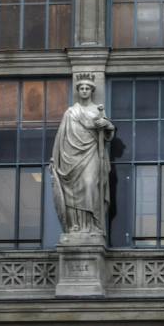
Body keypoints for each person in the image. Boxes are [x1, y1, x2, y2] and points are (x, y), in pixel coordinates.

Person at [51, 78, 114, 236]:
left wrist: (107, 126)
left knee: (89, 184)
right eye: (81, 88)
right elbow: (61, 137)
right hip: (71, 156)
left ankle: (93, 225)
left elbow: (107, 131)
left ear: (92, 91)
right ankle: (76, 226)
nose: (84, 90)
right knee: (72, 190)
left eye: (87, 88)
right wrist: (55, 159)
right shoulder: (71, 112)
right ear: (78, 91)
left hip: (91, 152)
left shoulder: (98, 111)